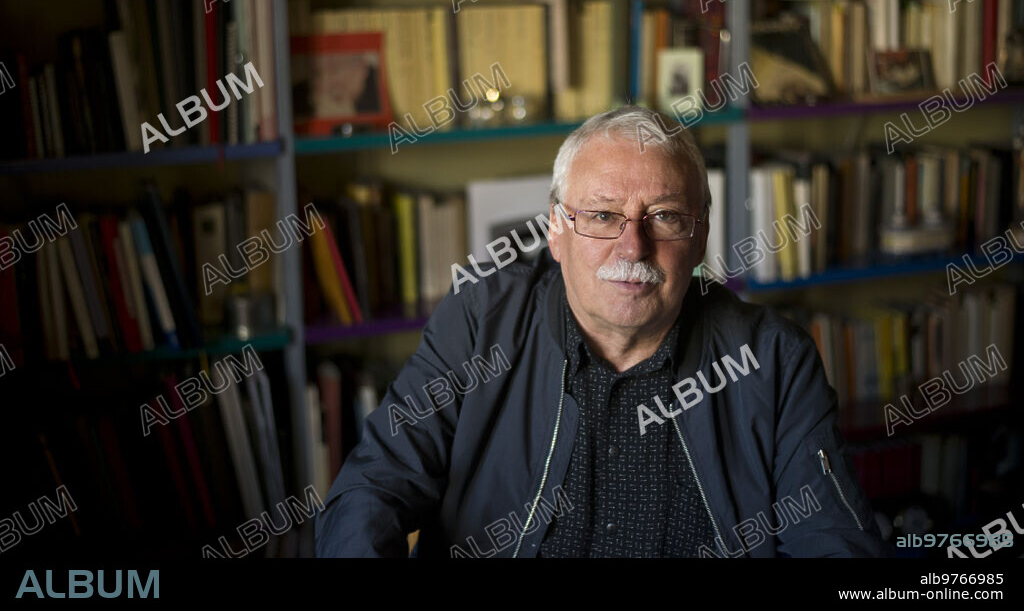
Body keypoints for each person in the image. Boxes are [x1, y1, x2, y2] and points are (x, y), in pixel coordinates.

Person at [315, 105, 891, 558]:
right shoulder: (479, 322)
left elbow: (835, 539)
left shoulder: (773, 359)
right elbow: (375, 487)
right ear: (556, 232)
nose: (632, 247)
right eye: (601, 216)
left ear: (700, 236)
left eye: (664, 216)